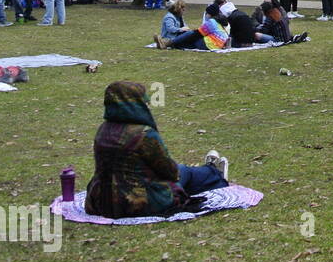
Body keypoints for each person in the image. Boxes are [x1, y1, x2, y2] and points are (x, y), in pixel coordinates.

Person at [84, 81, 230, 219]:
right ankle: (215, 173)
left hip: (99, 202)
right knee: (185, 172)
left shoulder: (102, 131)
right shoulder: (143, 134)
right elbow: (171, 172)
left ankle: (211, 172)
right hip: (138, 203)